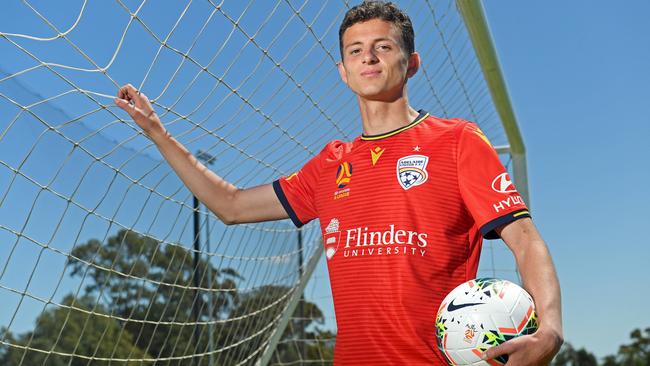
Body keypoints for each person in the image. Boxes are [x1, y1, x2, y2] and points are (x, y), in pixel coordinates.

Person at [114, 1, 563, 364]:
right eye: (355, 49)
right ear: (343, 71)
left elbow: (523, 238)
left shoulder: (457, 141)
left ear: (412, 63)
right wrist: (158, 132)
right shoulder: (330, 165)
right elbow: (230, 205)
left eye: (383, 46)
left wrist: (551, 329)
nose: (368, 56)